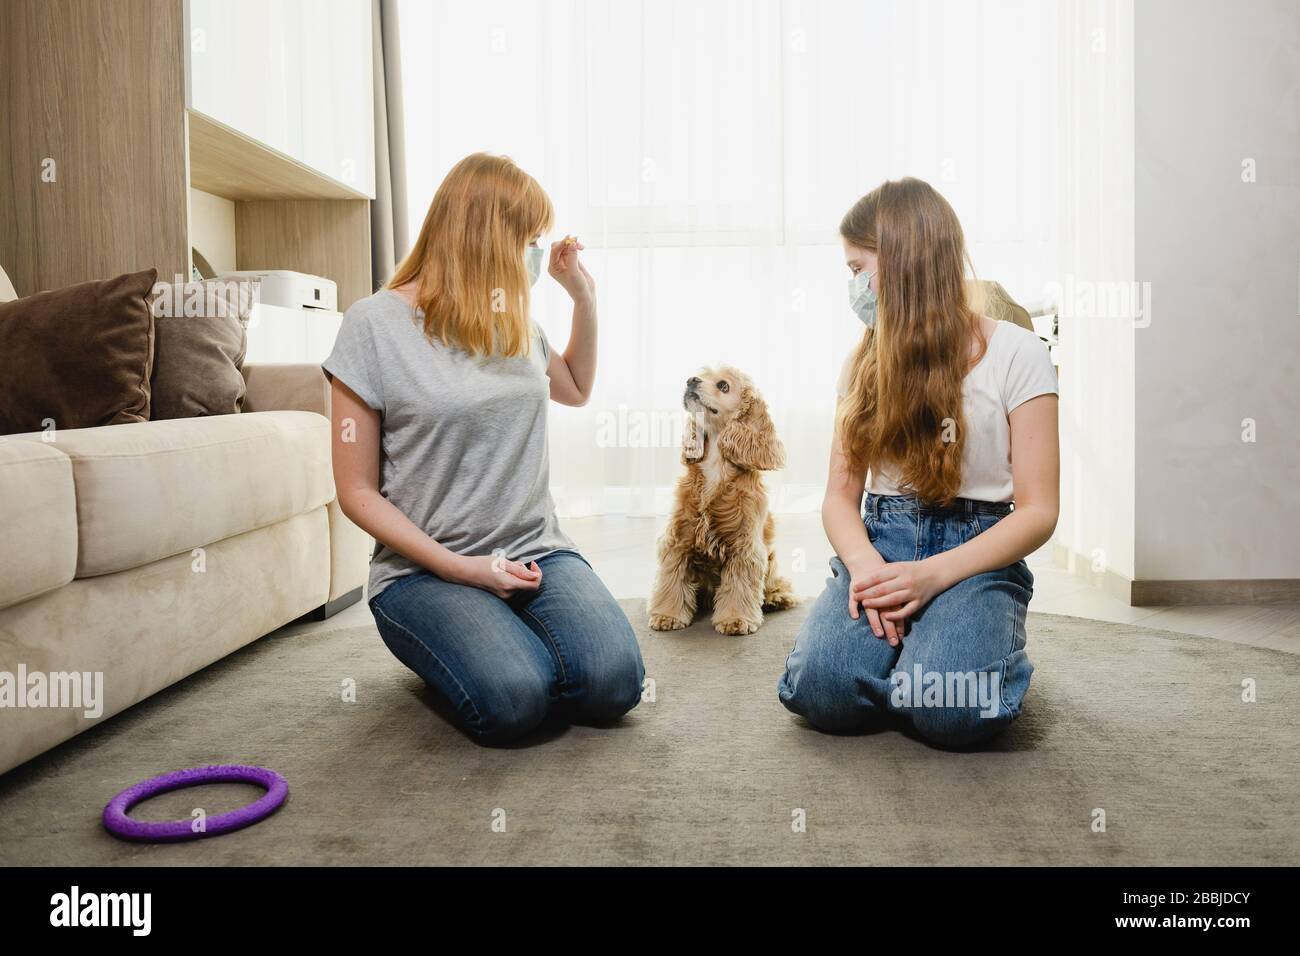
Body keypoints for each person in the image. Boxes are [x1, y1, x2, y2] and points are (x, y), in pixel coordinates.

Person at [324, 152, 644, 745]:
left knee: (613, 684)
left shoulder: (513, 322)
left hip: (534, 552)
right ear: (488, 238)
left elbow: (573, 387)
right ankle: (468, 638)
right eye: (529, 239)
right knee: (516, 702)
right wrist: (461, 569)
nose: (536, 255)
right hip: (425, 572)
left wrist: (584, 300)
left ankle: (495, 636)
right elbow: (356, 491)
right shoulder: (372, 325)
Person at [777, 177, 1060, 748]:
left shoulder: (1019, 354)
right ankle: (910, 661)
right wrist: (866, 570)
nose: (854, 286)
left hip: (976, 549)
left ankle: (960, 651)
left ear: (907, 263)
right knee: (821, 692)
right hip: (883, 542)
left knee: (950, 713)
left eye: (859, 268)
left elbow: (1038, 512)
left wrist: (931, 577)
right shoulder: (861, 364)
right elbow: (838, 497)